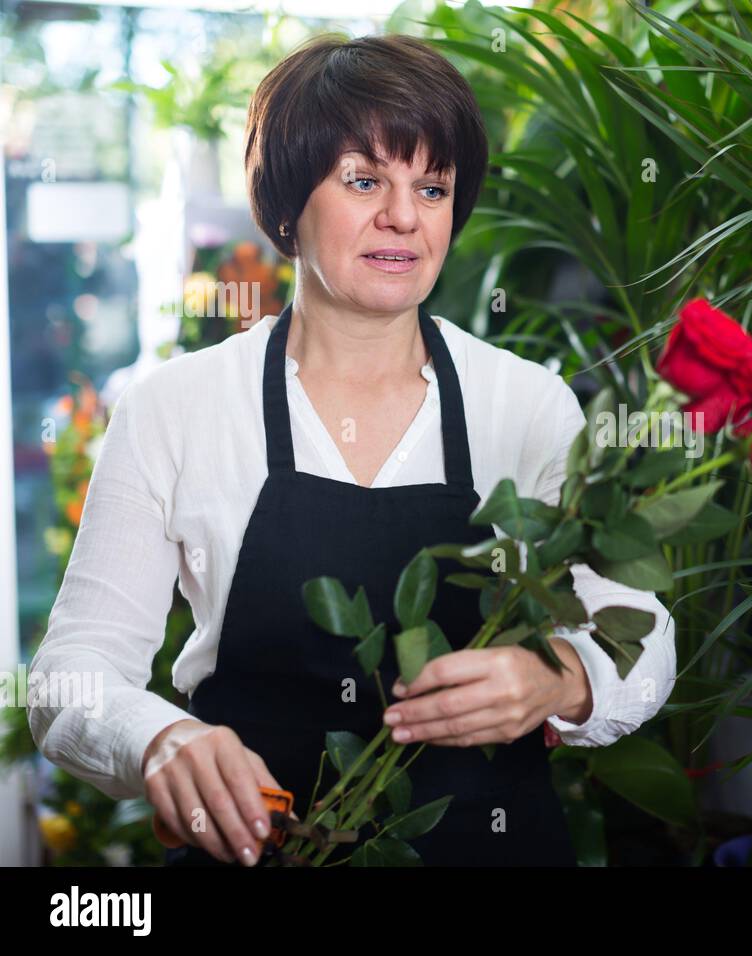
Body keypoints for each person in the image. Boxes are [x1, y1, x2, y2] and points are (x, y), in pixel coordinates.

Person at [27, 33, 675, 867]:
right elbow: (71, 676)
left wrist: (562, 680)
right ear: (289, 203)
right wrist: (159, 740)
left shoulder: (527, 404)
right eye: (365, 179)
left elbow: (647, 633)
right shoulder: (173, 409)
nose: (403, 216)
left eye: (432, 187)